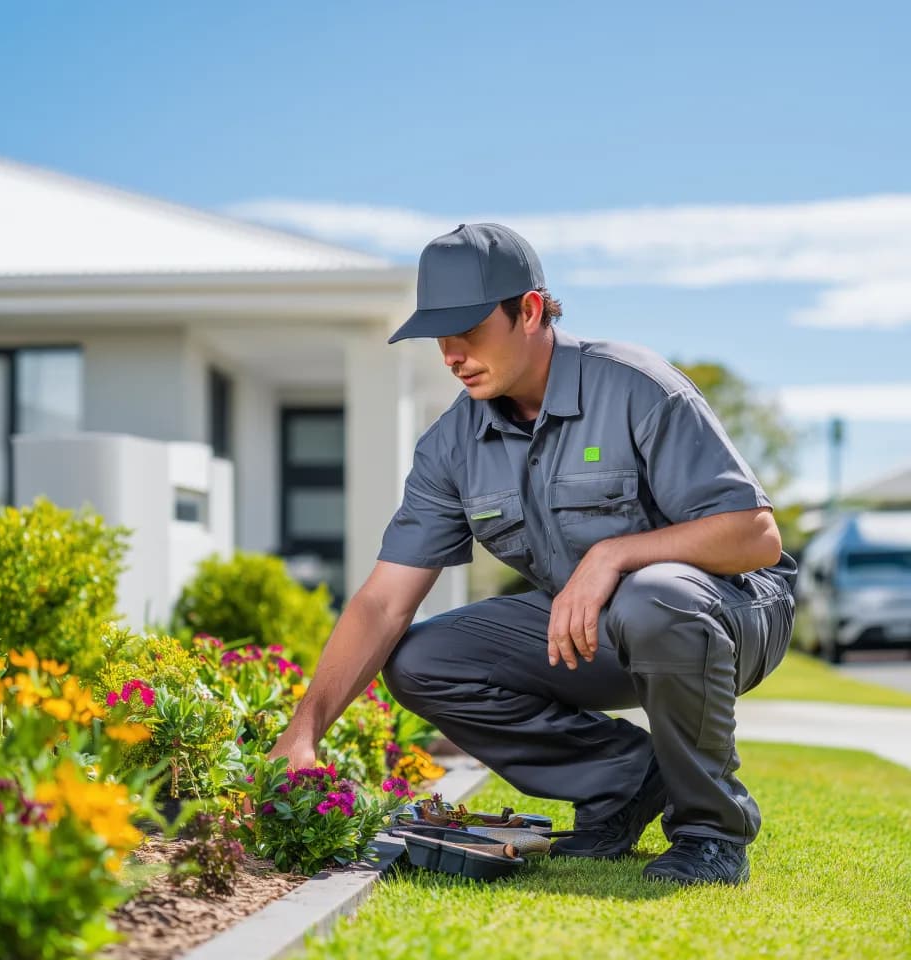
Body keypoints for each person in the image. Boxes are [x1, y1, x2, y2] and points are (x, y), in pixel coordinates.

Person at [269, 222, 797, 886]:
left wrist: (611, 555)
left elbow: (755, 536)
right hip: (596, 629)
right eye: (440, 335)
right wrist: (304, 731)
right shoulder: (452, 445)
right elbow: (382, 601)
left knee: (652, 595)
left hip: (730, 615)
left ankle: (710, 831)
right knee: (420, 659)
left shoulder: (635, 386)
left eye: (468, 330)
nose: (452, 354)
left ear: (530, 310)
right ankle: (628, 779)